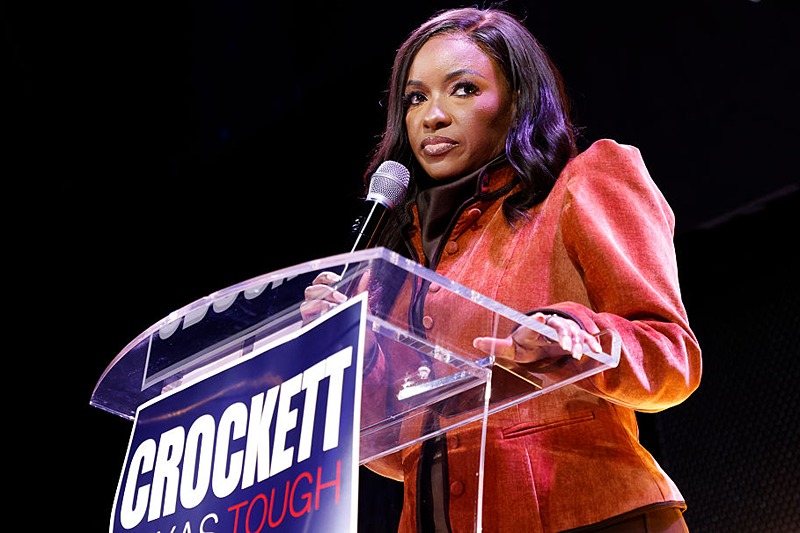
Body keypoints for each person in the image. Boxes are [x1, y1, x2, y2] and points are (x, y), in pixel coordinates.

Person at [301, 6, 702, 532]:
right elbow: (395, 454)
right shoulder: (391, 266)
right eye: (416, 98)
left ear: (516, 101)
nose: (432, 116)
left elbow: (671, 359)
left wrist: (576, 339)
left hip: (591, 517)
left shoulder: (582, 184)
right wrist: (346, 355)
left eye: (463, 89)